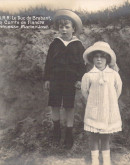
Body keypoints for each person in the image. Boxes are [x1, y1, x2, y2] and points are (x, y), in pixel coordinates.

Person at [44, 9, 86, 148]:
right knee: (55, 104)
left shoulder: (78, 45)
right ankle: (56, 130)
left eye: (67, 27)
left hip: (70, 80)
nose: (63, 30)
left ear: (73, 29)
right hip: (56, 78)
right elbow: (48, 62)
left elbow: (82, 64)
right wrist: (47, 79)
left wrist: (79, 79)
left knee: (69, 105)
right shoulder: (55, 43)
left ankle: (69, 132)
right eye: (61, 27)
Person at [81, 41, 122, 165]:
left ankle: (106, 160)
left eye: (102, 56)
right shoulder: (88, 75)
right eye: (96, 56)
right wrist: (94, 103)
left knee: (105, 136)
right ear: (92, 59)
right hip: (94, 110)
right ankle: (94, 160)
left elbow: (118, 90)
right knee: (93, 135)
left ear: (107, 59)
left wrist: (110, 102)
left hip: (109, 110)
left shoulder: (114, 75)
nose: (99, 59)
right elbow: (85, 92)